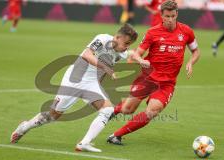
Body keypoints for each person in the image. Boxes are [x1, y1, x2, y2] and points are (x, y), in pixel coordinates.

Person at [10, 24, 139, 152]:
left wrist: (99, 84)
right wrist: (105, 67)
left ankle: (84, 143)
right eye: (126, 43)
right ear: (117, 37)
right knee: (53, 115)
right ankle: (24, 127)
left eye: (129, 45)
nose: (127, 47)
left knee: (108, 110)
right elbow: (87, 55)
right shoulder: (103, 39)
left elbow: (106, 70)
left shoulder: (121, 54)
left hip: (91, 83)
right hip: (74, 79)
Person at [107, 0, 200, 145]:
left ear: (177, 14)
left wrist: (190, 62)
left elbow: (196, 51)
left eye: (173, 16)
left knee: (152, 112)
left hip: (166, 84)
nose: (170, 20)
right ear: (161, 15)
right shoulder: (152, 32)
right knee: (127, 109)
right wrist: (141, 60)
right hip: (147, 78)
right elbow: (137, 53)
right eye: (167, 16)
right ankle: (115, 110)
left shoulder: (186, 31)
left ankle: (116, 135)